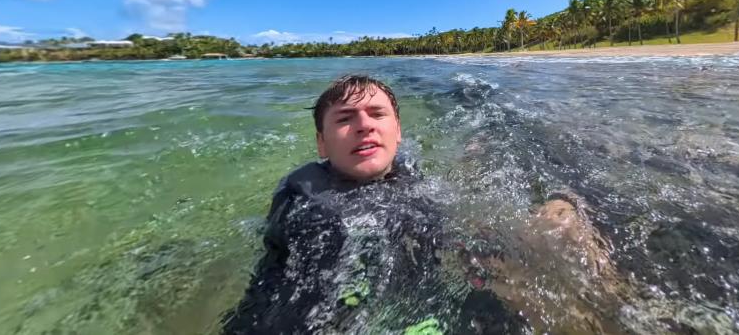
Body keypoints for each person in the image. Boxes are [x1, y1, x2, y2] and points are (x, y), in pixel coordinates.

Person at [223, 75, 620, 334]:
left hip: (423, 306)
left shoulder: (409, 175)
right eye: (345, 119)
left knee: (561, 221)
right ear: (322, 145)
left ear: (398, 132)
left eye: (377, 114)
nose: (364, 124)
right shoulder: (307, 201)